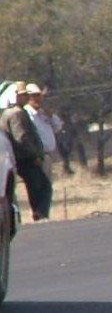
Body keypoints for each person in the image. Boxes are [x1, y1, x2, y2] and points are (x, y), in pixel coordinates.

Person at [0, 81, 51, 221]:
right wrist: (34, 155)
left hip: (18, 158)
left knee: (37, 185)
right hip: (25, 158)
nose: (26, 98)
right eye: (22, 95)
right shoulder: (16, 113)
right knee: (42, 186)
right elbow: (21, 138)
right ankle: (40, 214)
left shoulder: (10, 113)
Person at [24, 83, 67, 177]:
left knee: (47, 185)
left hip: (48, 156)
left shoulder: (43, 113)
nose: (38, 99)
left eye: (39, 95)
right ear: (28, 98)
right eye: (34, 96)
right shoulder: (26, 114)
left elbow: (58, 127)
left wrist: (51, 116)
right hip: (37, 157)